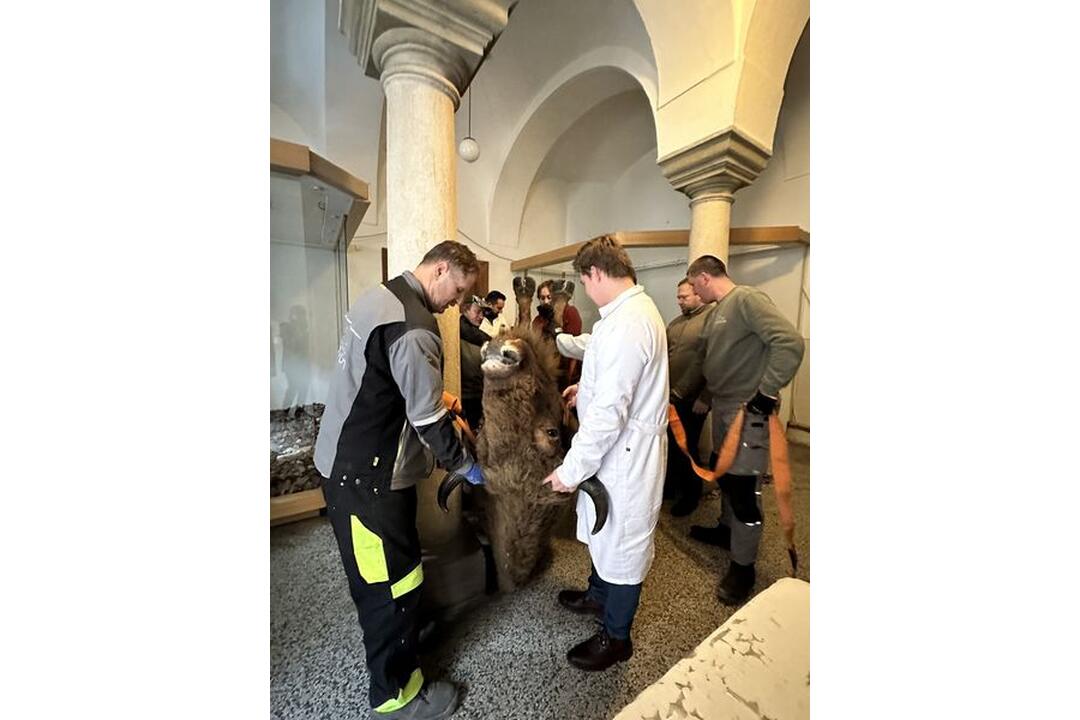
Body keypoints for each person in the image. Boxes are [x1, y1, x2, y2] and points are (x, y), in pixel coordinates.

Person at [313, 240, 486, 719]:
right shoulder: (415, 326)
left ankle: (400, 643)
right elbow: (429, 423)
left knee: (392, 575)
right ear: (441, 269)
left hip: (344, 465)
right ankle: (396, 697)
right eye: (458, 290)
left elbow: (382, 374)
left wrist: (434, 390)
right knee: (389, 586)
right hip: (366, 481)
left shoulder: (381, 297)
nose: (457, 303)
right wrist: (467, 466)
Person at [542, 235, 668, 672]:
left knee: (624, 542)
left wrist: (570, 470)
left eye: (584, 281)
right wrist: (586, 389)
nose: (586, 290)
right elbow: (612, 386)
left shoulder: (632, 322)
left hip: (628, 455)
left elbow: (611, 413)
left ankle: (617, 638)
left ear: (595, 273)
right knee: (603, 529)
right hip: (617, 449)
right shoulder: (622, 316)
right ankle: (598, 595)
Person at [671, 254, 804, 606]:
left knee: (744, 489)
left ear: (702, 277)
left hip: (748, 409)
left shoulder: (747, 299)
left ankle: (743, 569)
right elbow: (708, 359)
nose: (692, 293)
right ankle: (725, 530)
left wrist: (766, 393)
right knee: (726, 474)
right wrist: (681, 393)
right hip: (725, 407)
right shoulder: (718, 311)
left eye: (693, 284)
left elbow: (789, 343)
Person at [665, 278, 715, 517]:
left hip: (694, 400)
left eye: (684, 297)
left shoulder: (711, 321)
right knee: (671, 446)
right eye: (678, 297)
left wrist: (706, 397)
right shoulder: (674, 324)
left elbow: (715, 363)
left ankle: (691, 495)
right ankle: (671, 487)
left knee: (688, 448)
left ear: (698, 294)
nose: (679, 301)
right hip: (670, 398)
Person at [533, 279, 583, 389]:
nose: (546, 301)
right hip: (545, 373)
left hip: (565, 372)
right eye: (542, 298)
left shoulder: (569, 312)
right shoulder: (538, 320)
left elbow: (574, 348)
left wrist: (570, 379)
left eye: (549, 297)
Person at [459, 295, 492, 431]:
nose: (481, 316)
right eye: (477, 312)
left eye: (482, 313)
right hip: (467, 396)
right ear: (465, 310)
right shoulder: (458, 336)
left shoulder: (478, 336)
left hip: (479, 393)